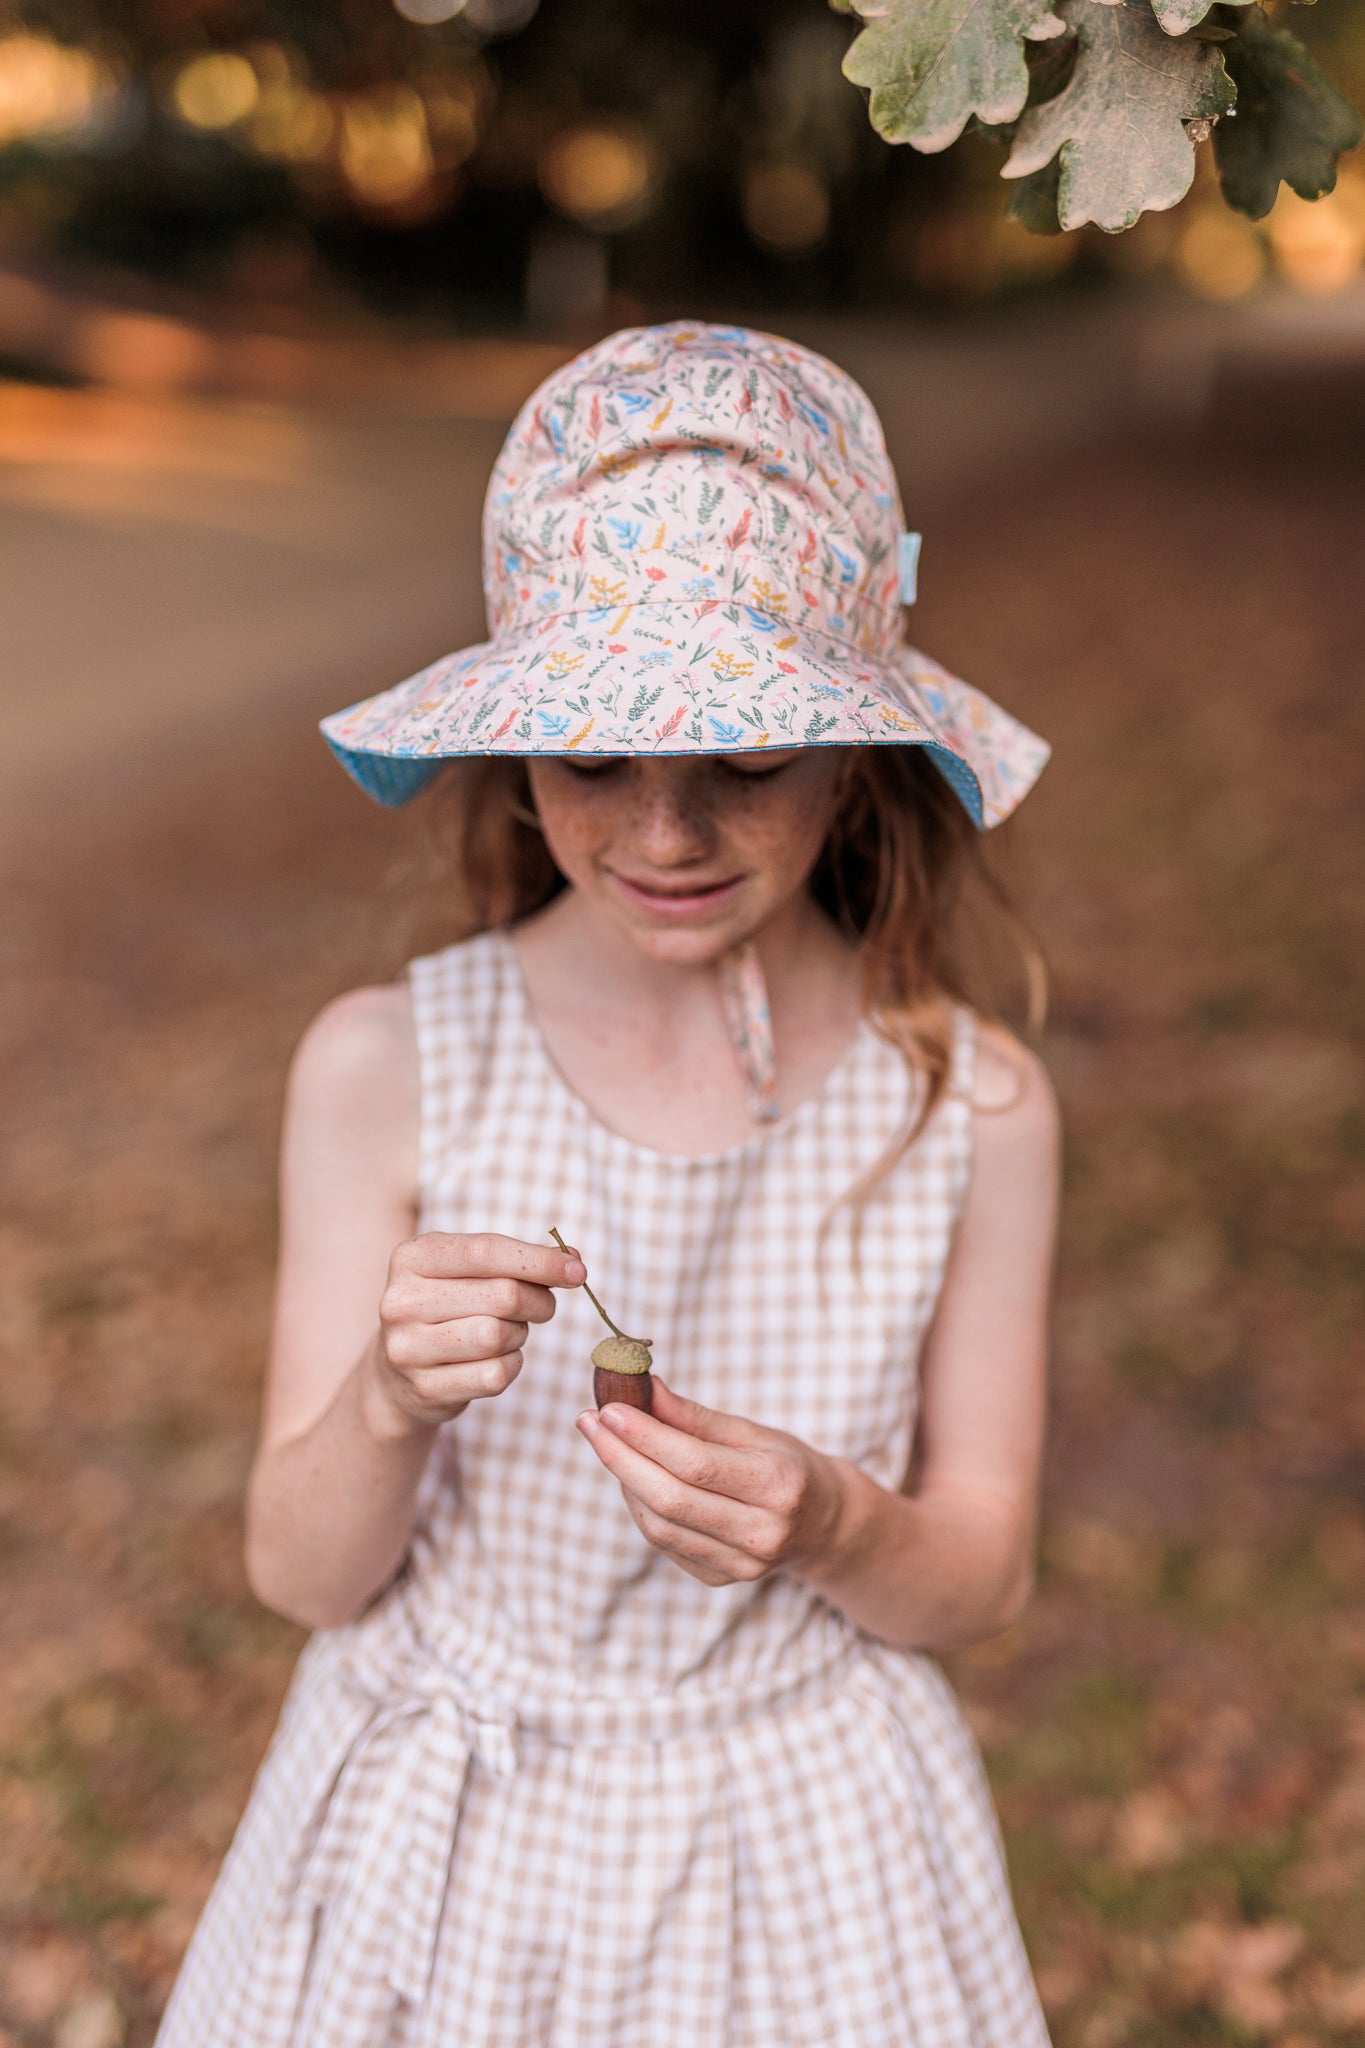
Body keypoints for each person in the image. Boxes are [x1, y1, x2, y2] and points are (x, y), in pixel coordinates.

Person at [156, 322, 1060, 2048]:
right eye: (590, 758)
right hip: (447, 1829)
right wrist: (388, 1392)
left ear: (857, 744)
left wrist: (833, 1521)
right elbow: (303, 1576)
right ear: (515, 748)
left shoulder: (968, 1105)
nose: (663, 836)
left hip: (803, 1832)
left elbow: (981, 1580)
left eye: (744, 760)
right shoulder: (387, 1064)